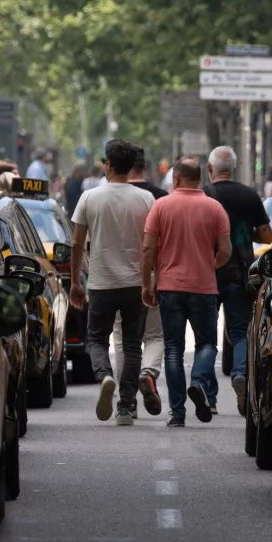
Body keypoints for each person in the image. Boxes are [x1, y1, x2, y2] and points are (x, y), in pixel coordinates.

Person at [70, 140, 155, 424]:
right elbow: (151, 245)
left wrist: (75, 282)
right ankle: (125, 407)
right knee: (132, 345)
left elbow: (77, 243)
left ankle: (105, 376)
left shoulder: (89, 198)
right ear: (131, 167)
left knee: (96, 338)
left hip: (101, 282)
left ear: (107, 164)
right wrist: (149, 282)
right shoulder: (146, 199)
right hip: (134, 283)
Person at [142, 157, 230, 427]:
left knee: (173, 349)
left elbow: (147, 249)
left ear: (176, 179)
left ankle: (177, 413)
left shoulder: (161, 206)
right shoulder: (215, 208)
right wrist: (210, 265)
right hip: (204, 288)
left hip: (169, 287)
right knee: (206, 345)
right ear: (200, 178)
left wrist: (148, 282)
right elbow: (226, 250)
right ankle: (200, 382)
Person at [204, 145, 271, 417]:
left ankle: (209, 397)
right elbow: (266, 237)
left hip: (206, 273)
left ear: (210, 170)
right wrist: (245, 235)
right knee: (241, 330)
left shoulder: (205, 196)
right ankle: (240, 374)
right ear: (234, 168)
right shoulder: (249, 196)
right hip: (240, 273)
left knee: (206, 336)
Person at [112, 147, 167, 415]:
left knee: (123, 341)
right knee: (155, 335)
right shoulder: (160, 198)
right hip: (155, 273)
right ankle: (148, 373)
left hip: (117, 277)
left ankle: (127, 401)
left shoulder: (104, 196)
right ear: (146, 166)